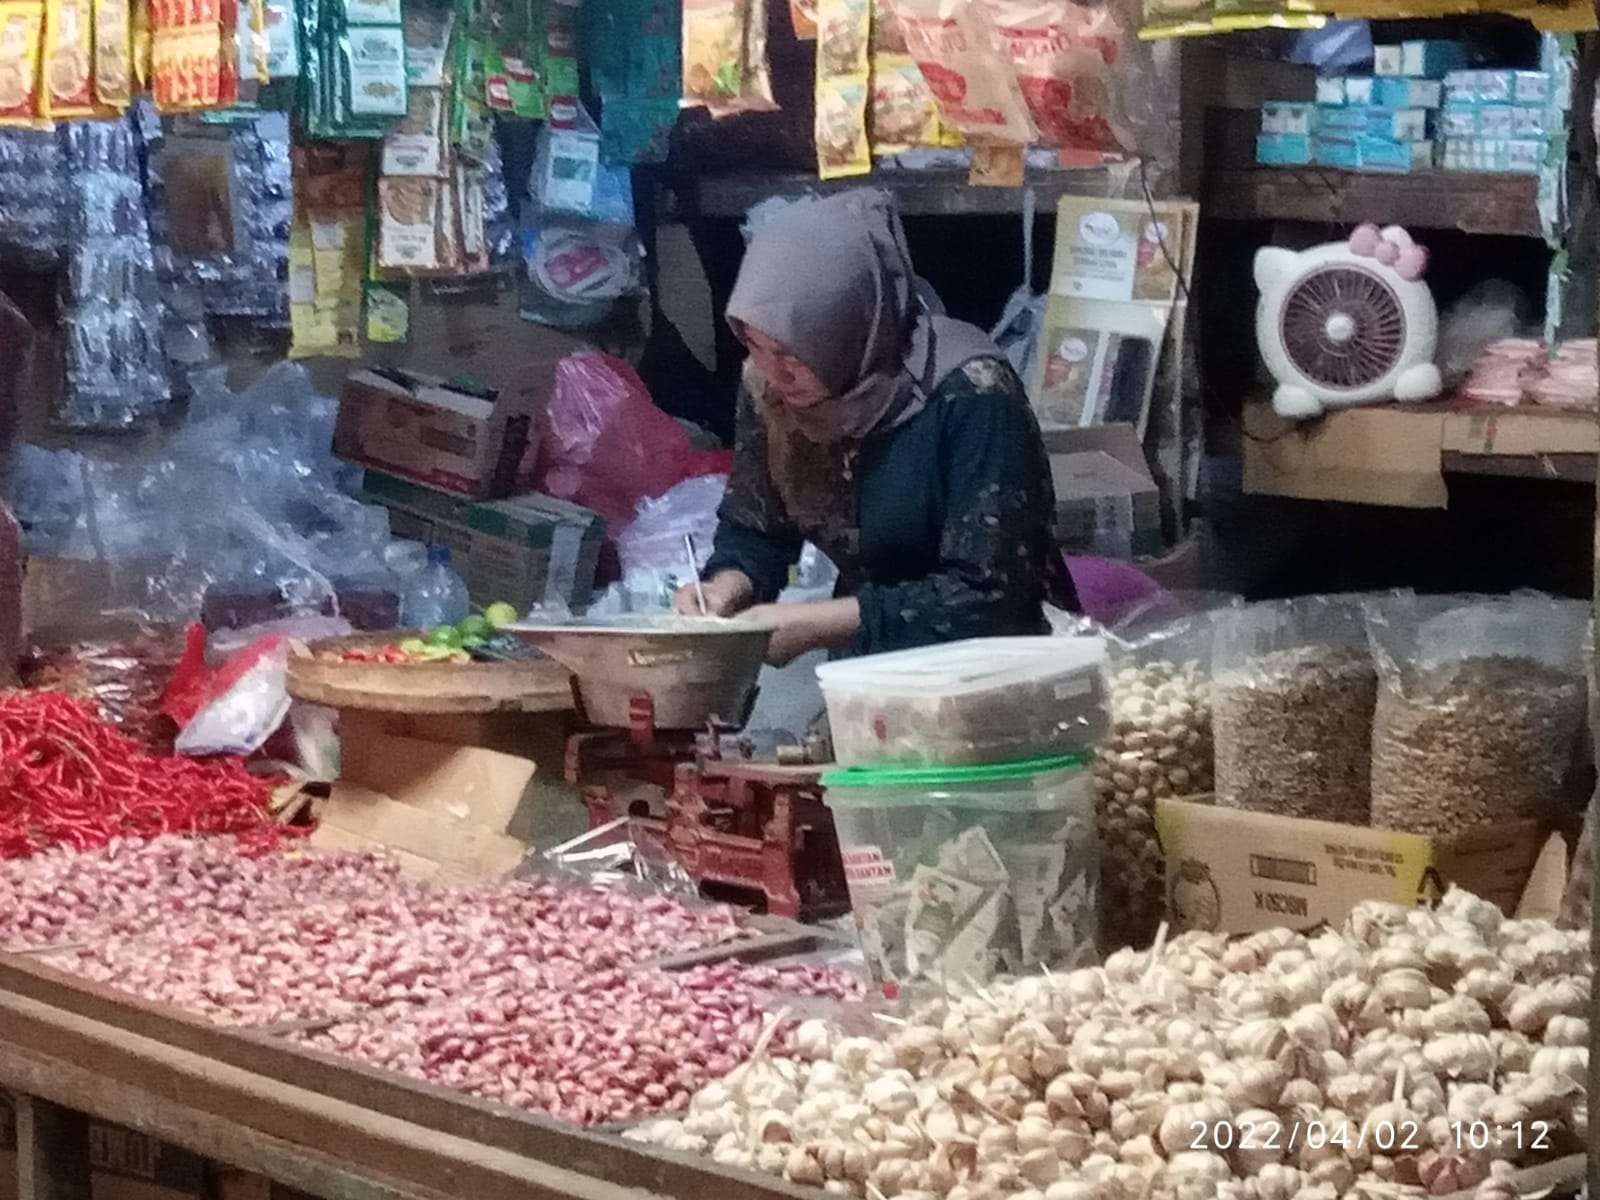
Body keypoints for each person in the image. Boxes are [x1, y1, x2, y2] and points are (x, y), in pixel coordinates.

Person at [673, 189, 1075, 665]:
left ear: (847, 324)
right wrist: (725, 587)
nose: (775, 374)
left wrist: (811, 624)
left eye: (791, 352)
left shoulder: (971, 393)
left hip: (993, 667)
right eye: (757, 346)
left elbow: (989, 592)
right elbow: (757, 525)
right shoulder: (768, 389)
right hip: (867, 673)